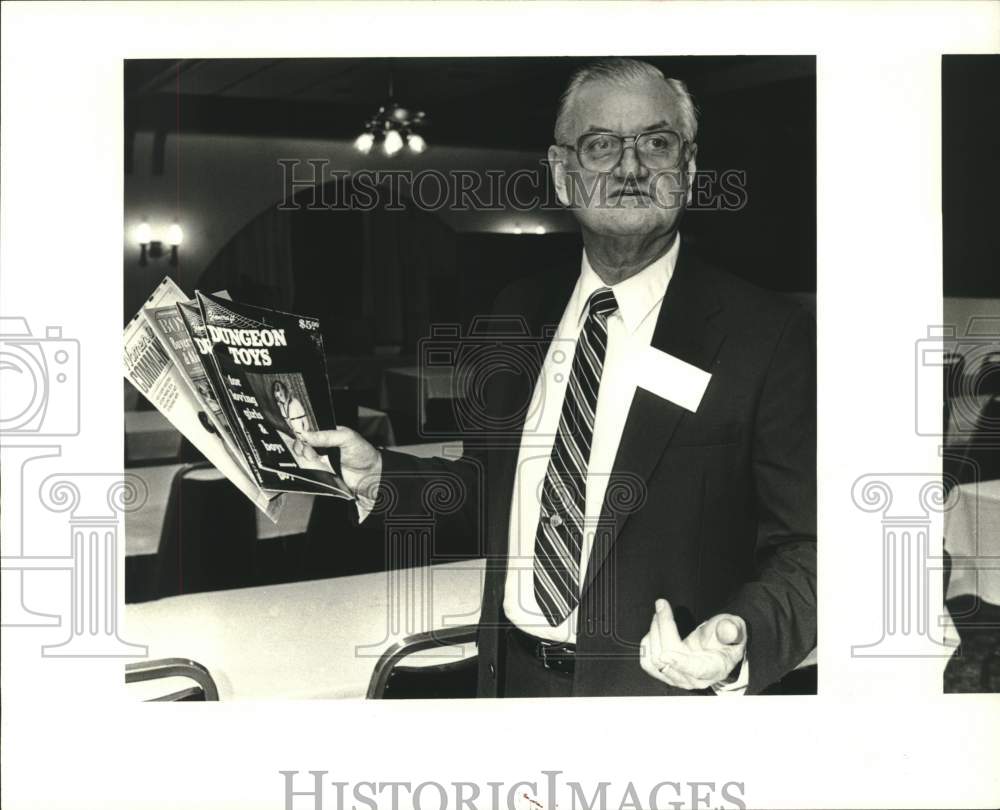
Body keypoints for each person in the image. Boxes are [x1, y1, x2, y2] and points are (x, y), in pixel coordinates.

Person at [304, 58, 816, 697]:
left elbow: (810, 544)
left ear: (687, 168)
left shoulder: (767, 335)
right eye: (600, 145)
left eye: (656, 143)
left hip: (661, 702)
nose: (630, 169)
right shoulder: (515, 312)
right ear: (562, 171)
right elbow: (496, 497)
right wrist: (382, 477)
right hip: (508, 683)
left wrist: (743, 635)